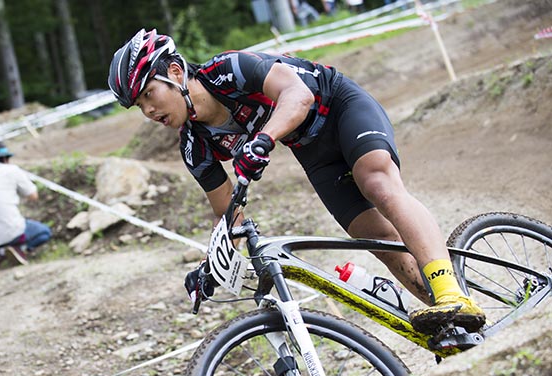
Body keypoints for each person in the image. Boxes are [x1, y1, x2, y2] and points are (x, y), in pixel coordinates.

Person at [107, 29, 486, 335]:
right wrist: (214, 263)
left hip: (339, 106)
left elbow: (297, 95)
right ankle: (450, 317)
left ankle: (453, 293)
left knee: (378, 185)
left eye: (148, 95)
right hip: (312, 151)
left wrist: (263, 140)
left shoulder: (229, 70)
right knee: (376, 239)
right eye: (139, 106)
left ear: (175, 73)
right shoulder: (194, 146)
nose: (149, 110)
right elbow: (228, 213)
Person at [0, 140, 51, 266]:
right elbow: (33, 196)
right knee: (44, 232)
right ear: (4, 158)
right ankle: (19, 249)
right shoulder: (12, 170)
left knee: (3, 229)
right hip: (11, 231)